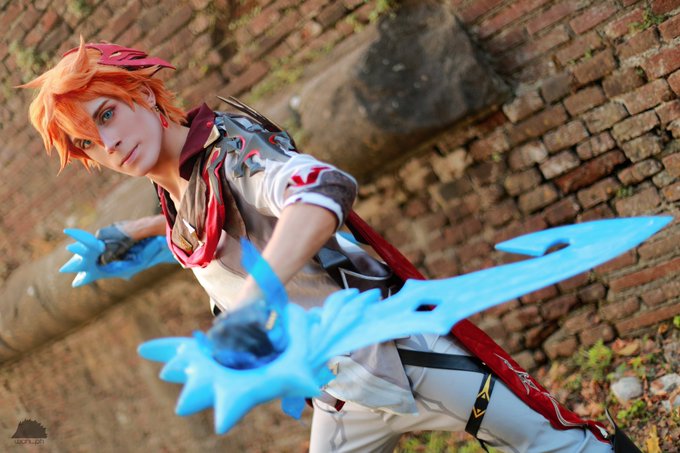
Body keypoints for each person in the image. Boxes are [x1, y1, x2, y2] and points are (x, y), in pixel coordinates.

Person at [23, 39, 635, 452]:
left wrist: (252, 303)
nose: (109, 144)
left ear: (142, 93)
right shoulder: (177, 184)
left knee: (554, 445)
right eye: (89, 143)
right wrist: (131, 238)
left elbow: (317, 192)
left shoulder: (234, 151)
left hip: (402, 351)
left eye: (107, 114)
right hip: (341, 392)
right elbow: (214, 226)